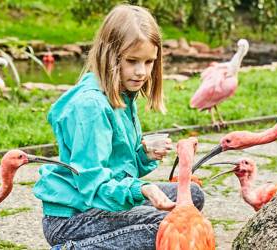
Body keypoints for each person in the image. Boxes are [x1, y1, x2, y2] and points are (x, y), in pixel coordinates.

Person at [33, 4, 205, 249]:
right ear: (109, 56)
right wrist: (142, 189)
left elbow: (115, 167)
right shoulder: (91, 106)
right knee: (169, 226)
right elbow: (93, 183)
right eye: (132, 61)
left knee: (192, 198)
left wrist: (142, 155)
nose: (141, 72)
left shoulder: (123, 94)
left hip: (98, 203)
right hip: (73, 217)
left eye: (149, 62)